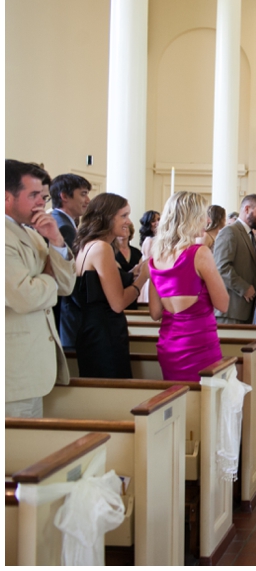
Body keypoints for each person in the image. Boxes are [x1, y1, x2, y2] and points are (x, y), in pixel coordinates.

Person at [6, 160, 76, 417]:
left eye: (44, 197)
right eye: (33, 195)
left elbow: (67, 286)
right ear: (7, 197)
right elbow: (25, 296)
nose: (41, 203)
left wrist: (56, 241)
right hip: (12, 373)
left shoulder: (36, 233)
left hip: (34, 368)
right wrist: (50, 277)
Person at [149, 192, 229, 380]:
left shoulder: (155, 258)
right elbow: (223, 304)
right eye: (203, 214)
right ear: (190, 218)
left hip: (168, 345)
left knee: (177, 402)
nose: (208, 220)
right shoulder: (199, 253)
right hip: (199, 345)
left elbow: (154, 313)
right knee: (206, 404)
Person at [72, 193, 150, 378]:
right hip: (104, 335)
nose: (128, 222)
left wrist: (133, 274)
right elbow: (118, 303)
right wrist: (143, 278)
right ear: (106, 217)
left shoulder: (87, 245)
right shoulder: (102, 248)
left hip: (92, 330)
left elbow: (99, 288)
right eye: (123, 216)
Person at [49, 172, 92, 346]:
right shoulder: (63, 227)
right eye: (83, 194)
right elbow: (69, 275)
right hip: (64, 310)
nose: (88, 200)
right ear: (64, 196)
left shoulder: (61, 222)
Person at [213, 194, 256, 324]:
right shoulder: (230, 232)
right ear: (247, 209)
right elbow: (221, 267)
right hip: (232, 310)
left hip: (248, 308)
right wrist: (244, 288)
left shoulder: (252, 236)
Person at [115, 223, 142, 311]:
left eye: (126, 228)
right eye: (121, 228)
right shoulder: (111, 251)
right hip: (117, 291)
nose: (124, 231)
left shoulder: (136, 252)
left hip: (134, 290)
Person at [137, 210, 159, 303]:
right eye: (153, 221)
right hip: (152, 277)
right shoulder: (149, 241)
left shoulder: (157, 239)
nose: (157, 223)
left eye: (159, 219)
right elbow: (150, 262)